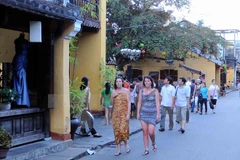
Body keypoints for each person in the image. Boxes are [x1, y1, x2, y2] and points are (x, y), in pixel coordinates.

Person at [137, 76, 160, 156]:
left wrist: (158, 113)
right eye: (145, 81)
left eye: (148, 81)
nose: (146, 82)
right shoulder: (141, 91)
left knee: (151, 132)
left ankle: (153, 143)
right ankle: (146, 149)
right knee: (145, 132)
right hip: (143, 114)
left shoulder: (155, 91)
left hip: (152, 114)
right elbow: (139, 102)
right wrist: (138, 113)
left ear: (151, 82)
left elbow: (157, 103)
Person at [111, 76, 131, 156]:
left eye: (120, 81)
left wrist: (128, 114)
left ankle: (126, 144)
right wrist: (112, 96)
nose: (118, 83)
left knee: (123, 130)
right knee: (116, 131)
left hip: (124, 113)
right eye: (117, 82)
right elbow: (112, 104)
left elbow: (129, 102)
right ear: (115, 83)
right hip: (116, 114)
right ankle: (118, 149)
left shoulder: (126, 91)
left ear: (122, 82)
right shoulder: (114, 91)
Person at [12, 33, 30, 107]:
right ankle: (19, 100)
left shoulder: (21, 42)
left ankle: (21, 100)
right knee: (19, 78)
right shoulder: (21, 42)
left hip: (22, 60)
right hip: (20, 59)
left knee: (21, 78)